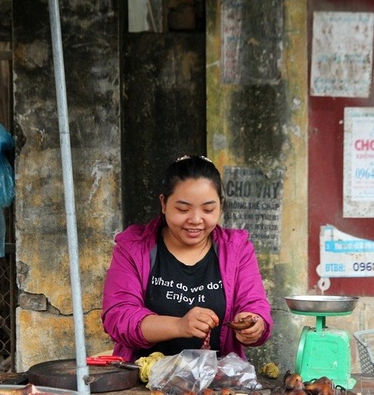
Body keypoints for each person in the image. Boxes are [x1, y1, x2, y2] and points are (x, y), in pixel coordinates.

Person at [101, 155, 272, 362]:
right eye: (183, 209)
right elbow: (119, 316)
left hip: (216, 385)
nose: (196, 220)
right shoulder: (133, 248)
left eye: (208, 209)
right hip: (142, 383)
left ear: (221, 206)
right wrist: (179, 325)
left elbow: (254, 305)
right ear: (163, 203)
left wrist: (254, 324)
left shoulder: (236, 249)